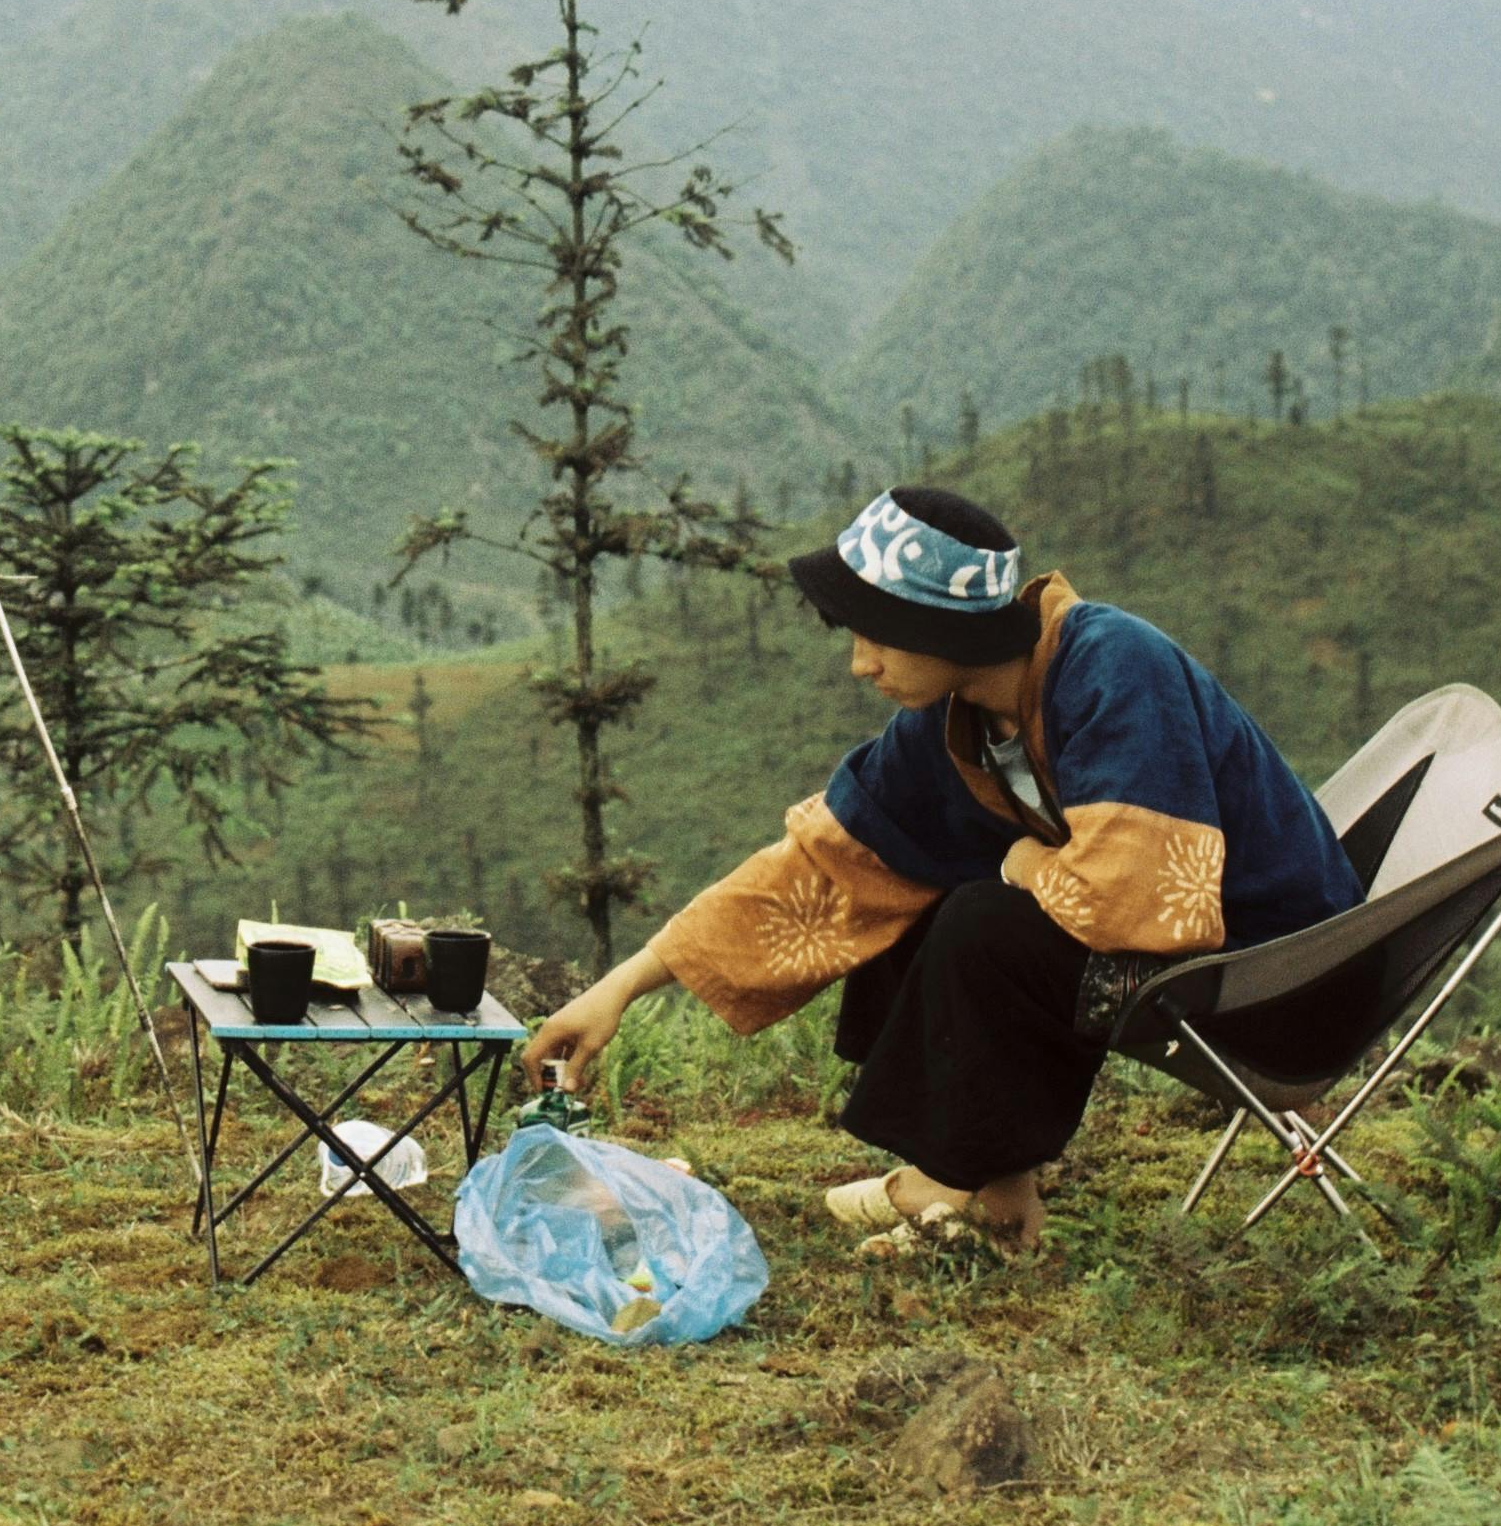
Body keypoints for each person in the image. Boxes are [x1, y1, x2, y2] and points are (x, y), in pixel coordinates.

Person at [515, 485, 1361, 1252]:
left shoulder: (1113, 664)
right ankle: (995, 1190)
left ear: (942, 629)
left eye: (877, 635)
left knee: (982, 916)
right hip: (1193, 968)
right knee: (899, 887)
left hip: (1278, 985)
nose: (860, 663)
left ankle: (951, 1187)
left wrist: (1028, 863)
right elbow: (823, 867)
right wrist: (617, 989)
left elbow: (1136, 902)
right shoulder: (955, 726)